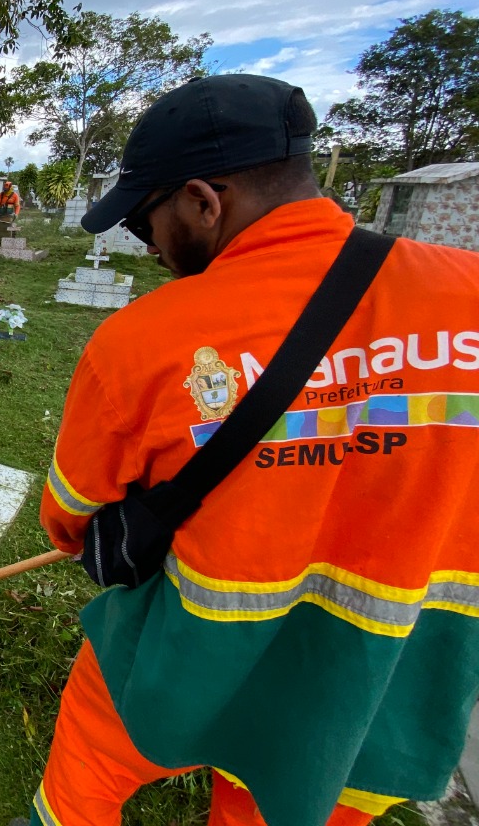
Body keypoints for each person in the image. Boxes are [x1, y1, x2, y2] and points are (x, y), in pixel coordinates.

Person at [27, 75, 479, 826]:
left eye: (147, 224)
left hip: (194, 652)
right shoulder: (468, 296)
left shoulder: (146, 341)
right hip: (381, 680)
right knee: (289, 799)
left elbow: (71, 521)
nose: (151, 250)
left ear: (205, 202)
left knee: (89, 762)